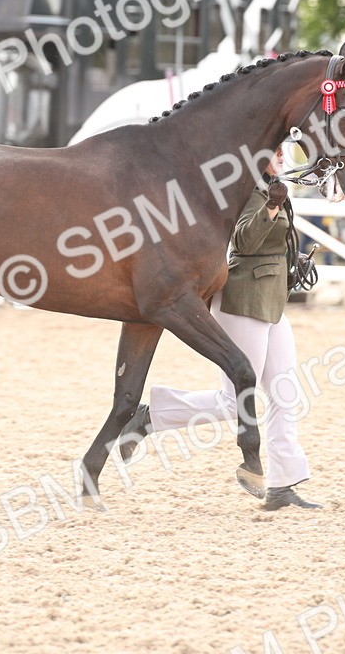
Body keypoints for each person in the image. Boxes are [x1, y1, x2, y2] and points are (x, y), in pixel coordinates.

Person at [118, 147, 321, 510]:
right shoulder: (244, 192)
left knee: (286, 393)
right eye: (275, 152)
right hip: (242, 300)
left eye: (283, 151)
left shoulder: (274, 187)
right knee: (233, 402)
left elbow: (274, 243)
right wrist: (271, 208)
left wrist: (294, 261)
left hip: (271, 299)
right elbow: (243, 242)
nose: (283, 157)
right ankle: (149, 417)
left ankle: (283, 484)